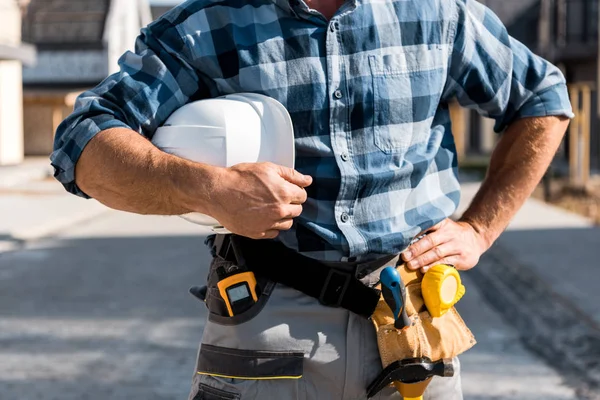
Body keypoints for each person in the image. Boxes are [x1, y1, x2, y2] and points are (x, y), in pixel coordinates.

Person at [51, 0, 573, 398]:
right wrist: (208, 188)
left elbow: (542, 98)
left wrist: (480, 228)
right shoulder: (205, 25)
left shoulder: (437, 13)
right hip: (268, 323)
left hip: (415, 324)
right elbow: (81, 141)